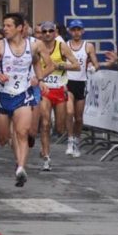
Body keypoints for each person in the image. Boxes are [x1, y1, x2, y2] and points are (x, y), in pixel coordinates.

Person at [0, 13, 55, 187]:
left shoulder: (34, 44)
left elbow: (50, 65)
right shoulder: (0, 46)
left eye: (8, 26)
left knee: (22, 133)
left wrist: (40, 78)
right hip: (3, 96)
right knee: (2, 137)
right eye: (4, 26)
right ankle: (13, 153)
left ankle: (21, 168)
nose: (4, 29)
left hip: (23, 94)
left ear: (19, 28)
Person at [37, 21, 80, 171]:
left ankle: (48, 145)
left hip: (59, 89)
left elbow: (76, 65)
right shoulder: (37, 46)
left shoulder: (61, 46)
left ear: (55, 32)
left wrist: (60, 65)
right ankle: (46, 156)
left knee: (59, 128)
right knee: (45, 123)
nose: (47, 34)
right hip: (44, 90)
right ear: (41, 33)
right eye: (45, 31)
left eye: (50, 31)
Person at [65, 20, 99, 157]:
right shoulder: (65, 45)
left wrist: (92, 68)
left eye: (78, 30)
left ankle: (76, 142)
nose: (76, 32)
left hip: (81, 82)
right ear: (69, 31)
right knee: (69, 112)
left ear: (83, 31)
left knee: (78, 118)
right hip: (68, 82)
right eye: (74, 30)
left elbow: (96, 64)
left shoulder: (88, 46)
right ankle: (69, 141)